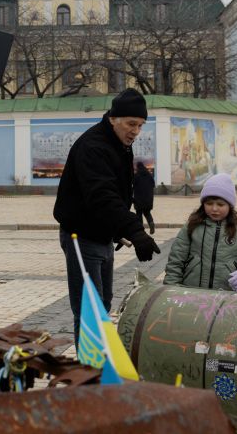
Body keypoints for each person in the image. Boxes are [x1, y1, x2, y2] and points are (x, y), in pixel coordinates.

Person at [53, 88, 160, 341]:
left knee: (103, 304)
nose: (136, 131)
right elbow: (103, 197)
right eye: (131, 124)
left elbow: (116, 190)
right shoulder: (94, 146)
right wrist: (135, 231)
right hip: (82, 237)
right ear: (113, 118)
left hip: (102, 235)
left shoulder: (118, 143)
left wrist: (122, 224)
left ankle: (99, 368)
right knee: (91, 310)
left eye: (141, 125)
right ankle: (90, 374)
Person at [164, 173, 237, 291]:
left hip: (226, 299)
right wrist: (171, 290)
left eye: (220, 204)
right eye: (209, 203)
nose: (214, 209)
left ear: (230, 206)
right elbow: (176, 261)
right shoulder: (191, 226)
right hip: (190, 295)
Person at [133, 161, 155, 234]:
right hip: (148, 199)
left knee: (139, 214)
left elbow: (133, 185)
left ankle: (141, 229)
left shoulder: (136, 176)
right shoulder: (149, 175)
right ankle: (151, 222)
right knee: (147, 213)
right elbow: (153, 185)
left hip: (138, 199)